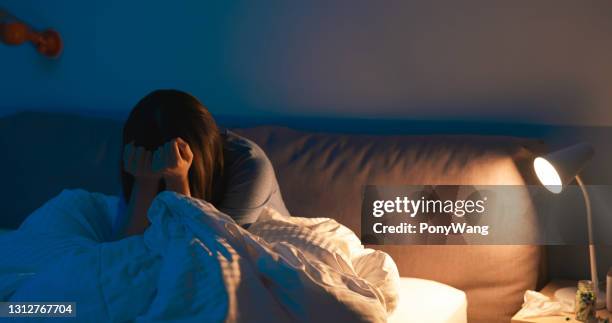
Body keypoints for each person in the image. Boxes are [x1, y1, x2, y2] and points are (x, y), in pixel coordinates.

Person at [117, 89, 289, 236]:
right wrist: (145, 183)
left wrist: (178, 180)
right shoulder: (139, 158)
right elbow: (125, 247)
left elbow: (207, 253)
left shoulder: (250, 166)